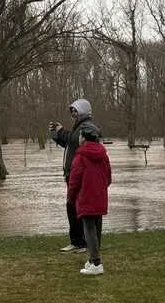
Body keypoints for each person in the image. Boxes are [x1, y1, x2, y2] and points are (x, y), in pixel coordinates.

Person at [49, 98, 99, 252]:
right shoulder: (78, 127)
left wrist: (61, 131)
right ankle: (77, 241)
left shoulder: (87, 127)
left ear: (83, 111)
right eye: (71, 111)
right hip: (72, 174)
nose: (73, 113)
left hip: (81, 175)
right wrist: (56, 134)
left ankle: (84, 242)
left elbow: (75, 141)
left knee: (79, 208)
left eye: (75, 111)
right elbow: (70, 143)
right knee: (72, 207)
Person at [67, 124, 111, 275]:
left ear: (84, 138)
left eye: (80, 135)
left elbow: (74, 180)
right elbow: (108, 177)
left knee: (89, 230)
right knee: (96, 229)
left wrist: (70, 197)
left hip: (86, 197)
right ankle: (92, 260)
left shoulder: (80, 156)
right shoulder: (103, 154)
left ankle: (96, 263)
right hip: (100, 197)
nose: (79, 138)